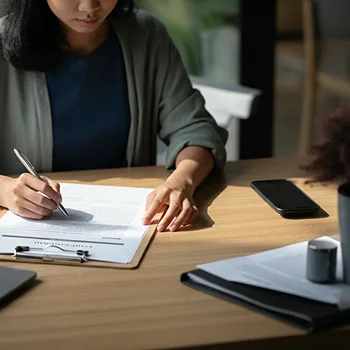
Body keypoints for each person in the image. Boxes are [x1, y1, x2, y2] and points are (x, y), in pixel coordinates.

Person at [0, 0, 228, 232]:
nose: (89, 6)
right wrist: (6, 191)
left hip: (133, 223)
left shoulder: (146, 34)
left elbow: (195, 129)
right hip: (32, 229)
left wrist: (182, 182)